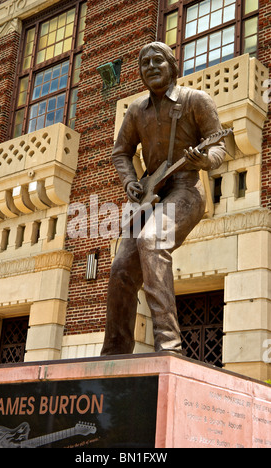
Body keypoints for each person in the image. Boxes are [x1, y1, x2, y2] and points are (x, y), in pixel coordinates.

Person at [101, 42, 226, 355]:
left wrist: (204, 160)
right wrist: (131, 181)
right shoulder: (135, 111)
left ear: (173, 66)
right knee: (120, 269)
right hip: (150, 194)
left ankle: (168, 346)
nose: (151, 67)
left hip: (186, 188)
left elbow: (219, 147)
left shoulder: (196, 100)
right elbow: (121, 153)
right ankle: (115, 352)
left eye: (159, 60)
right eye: (145, 63)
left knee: (153, 241)